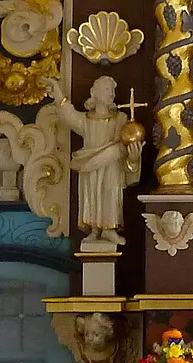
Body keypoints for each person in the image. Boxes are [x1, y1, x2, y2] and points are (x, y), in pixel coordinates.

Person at [44, 75, 140, 250]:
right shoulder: (86, 119)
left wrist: (133, 158)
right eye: (106, 89)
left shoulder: (121, 118)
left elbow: (126, 145)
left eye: (112, 90)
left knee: (110, 192)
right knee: (92, 194)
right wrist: (58, 93)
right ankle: (94, 229)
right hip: (89, 164)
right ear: (94, 93)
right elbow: (68, 115)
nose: (111, 93)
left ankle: (109, 228)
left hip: (112, 165)